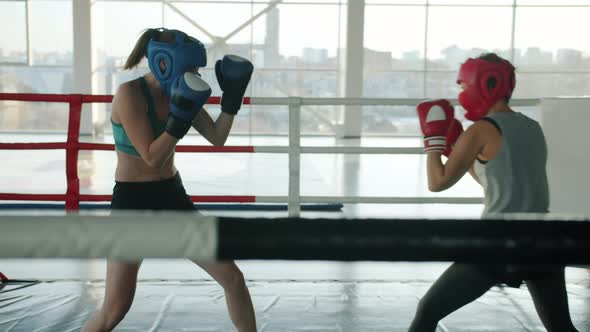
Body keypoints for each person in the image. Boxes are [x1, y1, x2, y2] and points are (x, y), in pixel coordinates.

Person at [82, 28, 257, 332]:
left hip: (172, 197)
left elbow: (217, 137)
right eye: (191, 68)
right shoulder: (129, 94)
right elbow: (151, 156)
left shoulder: (180, 91)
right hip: (132, 205)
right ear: (166, 63)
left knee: (232, 278)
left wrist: (231, 100)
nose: (195, 75)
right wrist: (179, 118)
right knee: (115, 309)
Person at [410, 53, 579, 332]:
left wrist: (435, 143)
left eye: (463, 86)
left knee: (427, 311)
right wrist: (457, 150)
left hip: (499, 242)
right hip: (543, 241)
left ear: (484, 83)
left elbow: (437, 182)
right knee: (561, 327)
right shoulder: (532, 127)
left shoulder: (480, 131)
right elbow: (496, 180)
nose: (461, 93)